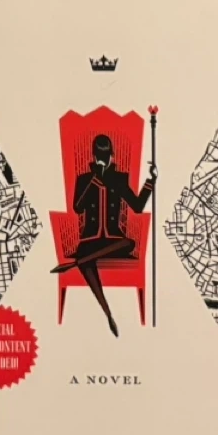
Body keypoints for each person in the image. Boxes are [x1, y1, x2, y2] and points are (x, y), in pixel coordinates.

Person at [53, 133, 154, 337]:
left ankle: (77, 263)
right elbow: (78, 208)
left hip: (114, 239)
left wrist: (151, 182)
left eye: (106, 156)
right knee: (87, 259)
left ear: (111, 156)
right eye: (99, 156)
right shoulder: (84, 179)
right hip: (90, 240)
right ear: (94, 156)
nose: (103, 159)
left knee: (129, 242)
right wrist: (93, 181)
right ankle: (108, 314)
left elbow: (137, 206)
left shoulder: (118, 179)